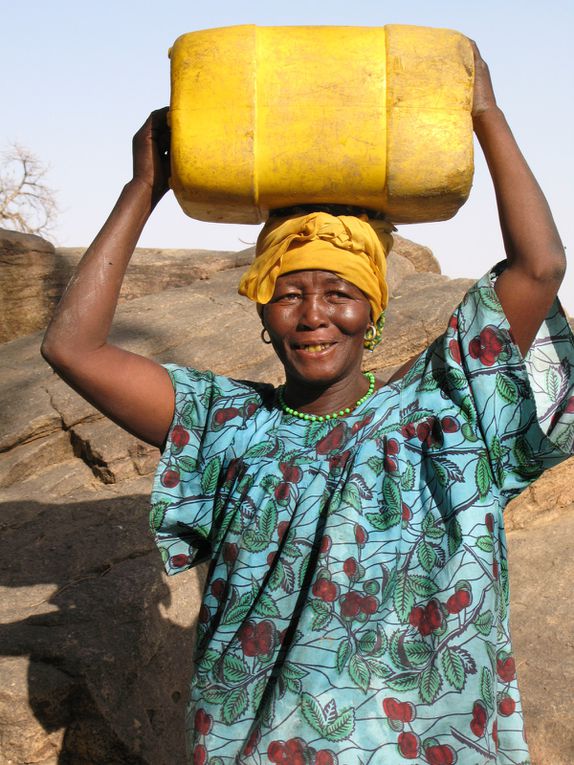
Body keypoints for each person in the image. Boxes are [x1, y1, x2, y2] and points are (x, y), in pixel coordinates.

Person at [42, 41, 571, 765]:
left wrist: (485, 114)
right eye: (288, 293)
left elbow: (539, 265)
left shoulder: (443, 416)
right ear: (262, 313)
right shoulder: (225, 427)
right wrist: (144, 188)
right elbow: (72, 348)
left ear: (375, 313)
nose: (313, 314)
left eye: (340, 293)